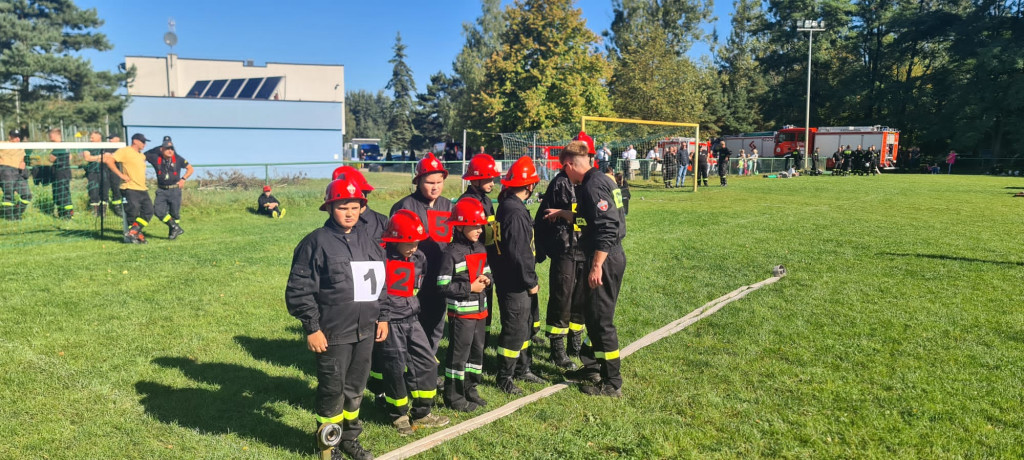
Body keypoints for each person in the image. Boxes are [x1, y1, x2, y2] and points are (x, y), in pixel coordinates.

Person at [286, 177, 388, 460]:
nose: (350, 213)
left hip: (366, 331)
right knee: (332, 391)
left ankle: (349, 438)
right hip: (332, 333)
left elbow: (381, 282)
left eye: (355, 207)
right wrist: (312, 327)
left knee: (355, 390)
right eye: (343, 207)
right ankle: (328, 447)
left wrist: (383, 316)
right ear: (330, 208)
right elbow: (299, 289)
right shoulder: (315, 243)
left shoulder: (368, 241)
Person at [558, 142, 627, 398]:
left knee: (601, 320)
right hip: (605, 255)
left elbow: (608, 228)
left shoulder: (592, 185)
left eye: (565, 172)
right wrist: (565, 214)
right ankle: (591, 366)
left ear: (568, 165)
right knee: (591, 312)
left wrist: (597, 265)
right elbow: (593, 219)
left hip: (605, 258)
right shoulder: (602, 179)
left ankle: (612, 382)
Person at [376, 210, 450, 434]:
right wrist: (383, 319)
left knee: (427, 362)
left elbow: (418, 284)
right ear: (393, 240)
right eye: (408, 243)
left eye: (417, 242)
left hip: (412, 318)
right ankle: (398, 415)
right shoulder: (382, 260)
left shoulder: (420, 258)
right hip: (391, 321)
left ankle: (423, 412)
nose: (413, 247)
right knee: (395, 368)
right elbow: (378, 293)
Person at [389, 153, 453, 361]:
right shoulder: (404, 207)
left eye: (439, 182)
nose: (435, 187)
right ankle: (409, 365)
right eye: (429, 182)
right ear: (418, 181)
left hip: (440, 275)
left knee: (436, 325)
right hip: (413, 279)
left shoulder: (447, 206)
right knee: (413, 325)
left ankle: (428, 367)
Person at [536, 133, 591, 369]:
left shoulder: (587, 183)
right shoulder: (561, 183)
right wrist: (585, 221)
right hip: (566, 249)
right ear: (569, 165)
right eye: (582, 163)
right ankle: (557, 348)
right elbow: (574, 220)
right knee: (562, 298)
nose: (587, 168)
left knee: (581, 298)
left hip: (583, 249)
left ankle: (574, 342)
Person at [492, 156, 546, 395]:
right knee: (514, 330)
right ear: (530, 185)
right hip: (515, 282)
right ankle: (504, 376)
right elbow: (518, 252)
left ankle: (523, 368)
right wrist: (530, 281)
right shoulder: (514, 211)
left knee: (523, 327)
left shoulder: (511, 205)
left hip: (515, 279)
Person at [438, 198, 493, 410]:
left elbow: (487, 272)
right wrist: (470, 289)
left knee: (476, 353)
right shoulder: (450, 253)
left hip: (481, 312)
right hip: (461, 313)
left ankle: (471, 389)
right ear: (460, 226)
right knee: (458, 356)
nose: (479, 230)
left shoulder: (480, 248)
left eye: (480, 225)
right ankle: (454, 397)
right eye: (474, 226)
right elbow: (442, 286)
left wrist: (488, 281)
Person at [458, 154, 502, 345]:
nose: (493, 183)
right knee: (475, 299)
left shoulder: (485, 200)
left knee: (486, 299)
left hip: (486, 256)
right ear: (475, 179)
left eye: (493, 178)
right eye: (488, 179)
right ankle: (474, 341)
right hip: (472, 257)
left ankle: (483, 339)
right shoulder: (468, 201)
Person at [103, 134, 153, 244]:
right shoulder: (124, 151)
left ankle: (134, 232)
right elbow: (109, 161)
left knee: (149, 211)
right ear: (135, 141)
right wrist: (121, 175)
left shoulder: (141, 156)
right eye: (143, 142)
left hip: (142, 189)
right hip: (129, 188)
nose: (145, 144)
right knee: (132, 214)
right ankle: (136, 237)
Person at [144, 136, 192, 240]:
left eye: (172, 149)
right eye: (167, 148)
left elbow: (190, 169)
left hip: (175, 190)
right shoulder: (154, 157)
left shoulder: (178, 159)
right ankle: (175, 227)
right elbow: (143, 156)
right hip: (162, 190)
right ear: (161, 149)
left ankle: (173, 233)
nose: (170, 151)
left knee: (175, 213)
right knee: (158, 211)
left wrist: (183, 179)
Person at [0, 129, 32, 220]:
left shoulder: (21, 147)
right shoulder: (3, 144)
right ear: (10, 137)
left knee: (27, 194)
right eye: (15, 137)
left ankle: (17, 213)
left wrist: (23, 163)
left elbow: (23, 158)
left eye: (19, 137)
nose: (17, 139)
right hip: (6, 171)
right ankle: (9, 218)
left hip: (18, 172)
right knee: (9, 195)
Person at [46, 129, 74, 219]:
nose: (50, 137)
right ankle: (64, 213)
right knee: (63, 192)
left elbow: (51, 158)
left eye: (51, 135)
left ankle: (66, 215)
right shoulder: (65, 144)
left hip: (61, 173)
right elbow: (70, 156)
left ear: (56, 135)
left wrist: (51, 157)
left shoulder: (59, 146)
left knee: (62, 193)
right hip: (65, 172)